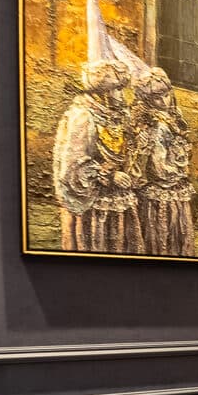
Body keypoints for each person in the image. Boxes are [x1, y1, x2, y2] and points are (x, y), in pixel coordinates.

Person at [49, 60, 139, 254]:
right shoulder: (82, 117)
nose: (122, 95)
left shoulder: (116, 116)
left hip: (118, 200)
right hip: (94, 205)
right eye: (117, 89)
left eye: (121, 89)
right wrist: (109, 176)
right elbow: (72, 163)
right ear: (102, 91)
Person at [131, 65, 195, 257]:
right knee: (162, 234)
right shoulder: (157, 124)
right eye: (157, 97)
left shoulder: (172, 118)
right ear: (147, 100)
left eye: (166, 95)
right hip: (161, 190)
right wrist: (178, 172)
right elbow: (159, 166)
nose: (163, 101)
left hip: (173, 185)